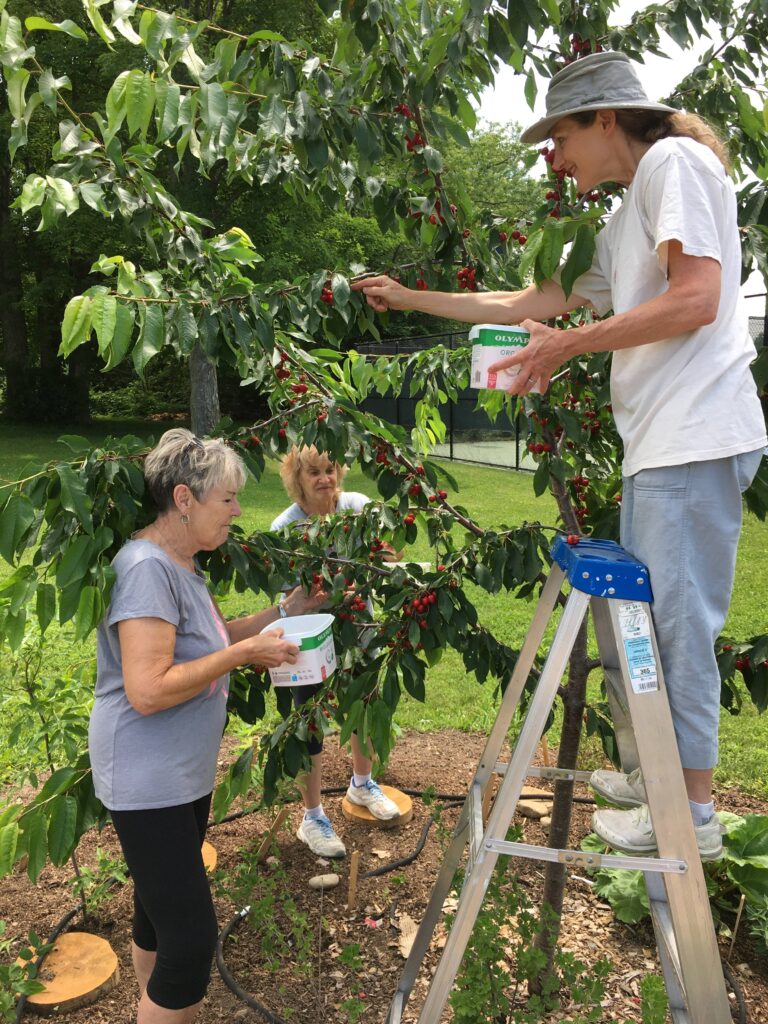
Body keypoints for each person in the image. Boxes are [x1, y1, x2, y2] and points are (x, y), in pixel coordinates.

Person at [353, 51, 767, 861]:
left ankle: (692, 812)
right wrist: (408, 298)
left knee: (676, 631)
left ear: (607, 119)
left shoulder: (674, 162)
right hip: (663, 442)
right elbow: (525, 303)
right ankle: (657, 778)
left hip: (693, 434)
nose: (553, 156)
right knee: (645, 623)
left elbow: (698, 297)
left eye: (560, 136)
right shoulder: (624, 218)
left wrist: (568, 347)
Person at [89, 428, 326, 1024]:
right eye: (228, 500)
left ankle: (150, 1004)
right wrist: (244, 658)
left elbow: (218, 637)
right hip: (148, 783)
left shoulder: (182, 563)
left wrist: (286, 611)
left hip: (179, 777)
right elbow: (147, 690)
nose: (239, 511)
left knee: (157, 915)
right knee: (191, 942)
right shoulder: (146, 569)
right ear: (185, 499)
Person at [270, 445, 401, 858]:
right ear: (297, 479)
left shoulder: (359, 507)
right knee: (310, 724)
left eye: (330, 469)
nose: (325, 478)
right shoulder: (286, 527)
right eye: (314, 472)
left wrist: (384, 552)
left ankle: (362, 785)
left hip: (360, 632)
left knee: (363, 707)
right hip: (310, 644)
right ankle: (312, 817)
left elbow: (392, 553)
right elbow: (286, 596)